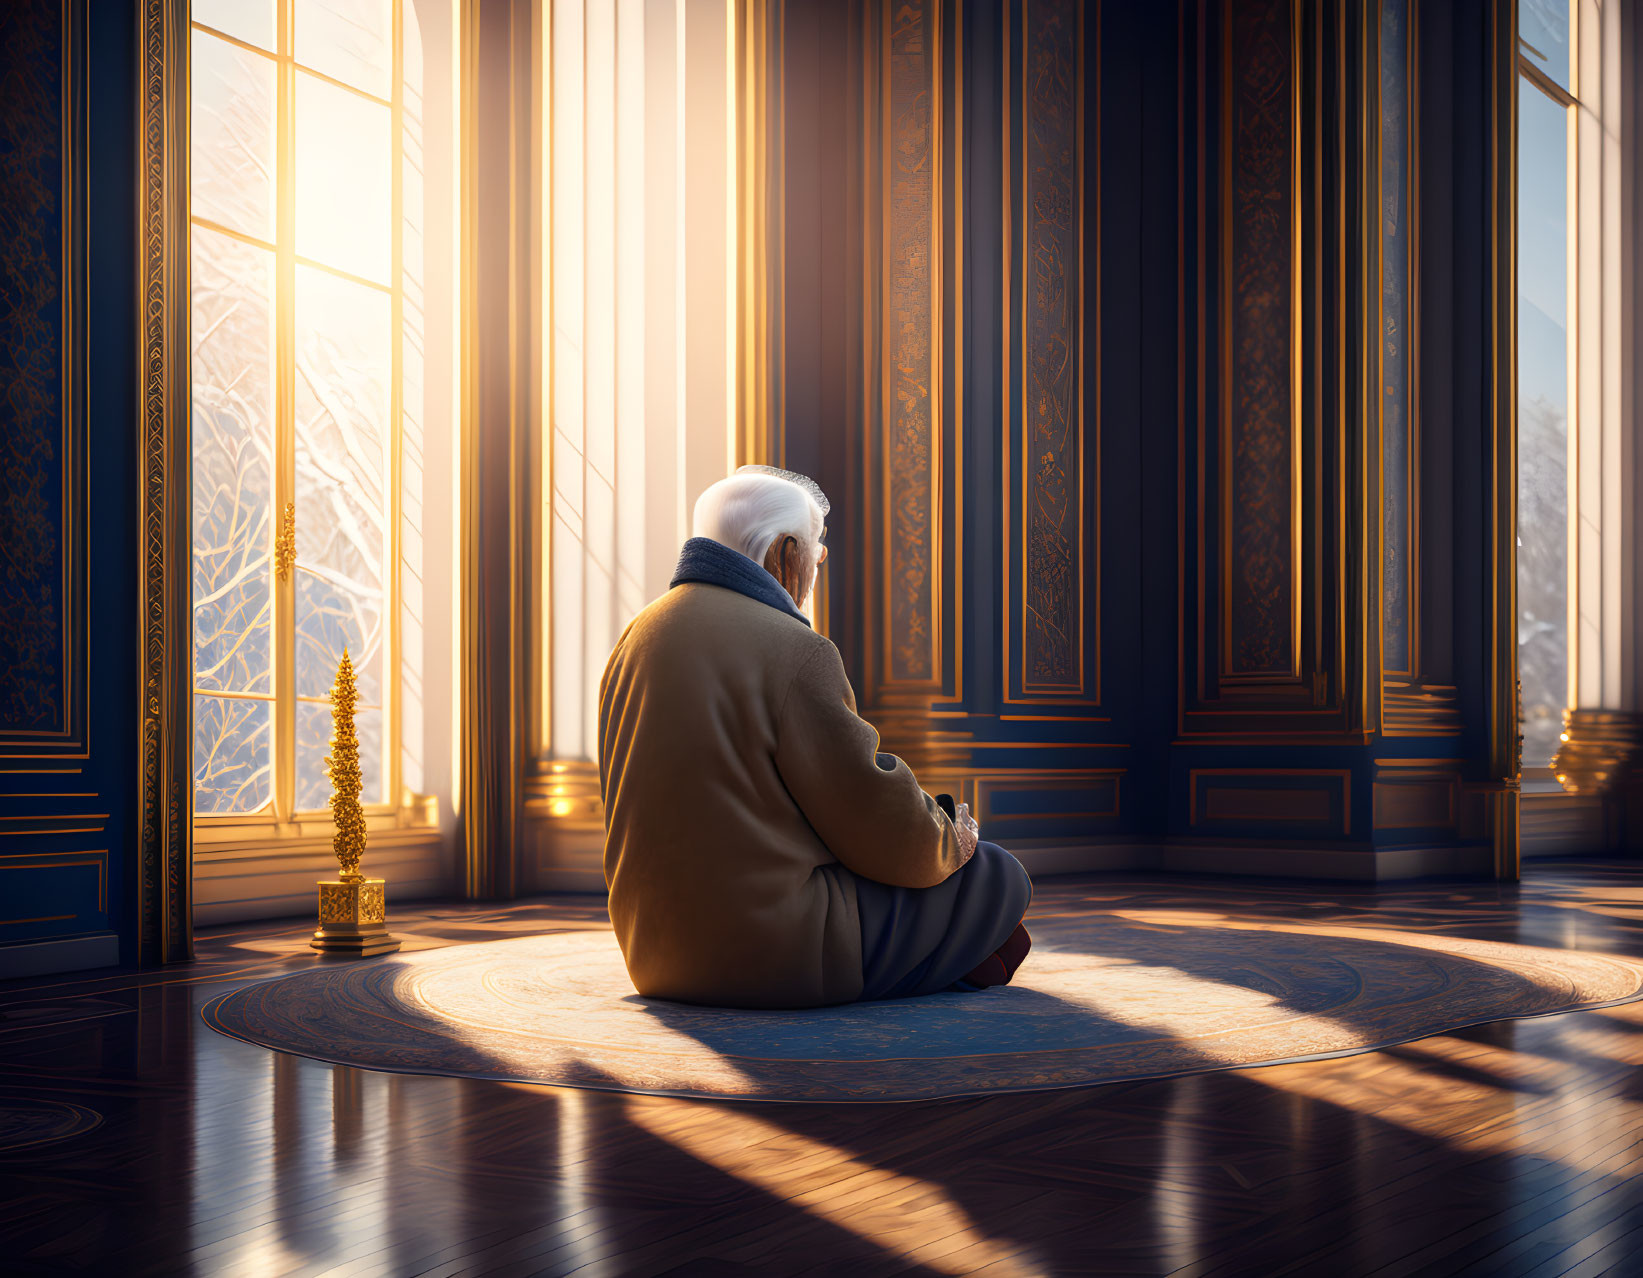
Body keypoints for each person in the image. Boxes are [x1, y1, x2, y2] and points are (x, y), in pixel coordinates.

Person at [597, 464, 1033, 1009]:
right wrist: (953, 839)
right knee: (997, 876)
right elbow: (876, 821)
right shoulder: (795, 648)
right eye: (817, 555)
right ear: (785, 554)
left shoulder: (635, 637)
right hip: (769, 954)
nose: (816, 570)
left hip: (653, 954)